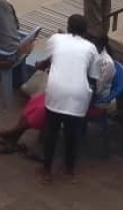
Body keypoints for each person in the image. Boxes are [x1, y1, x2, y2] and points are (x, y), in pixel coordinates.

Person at [37, 14, 100, 183]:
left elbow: (44, 58)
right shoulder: (91, 47)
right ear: (85, 31)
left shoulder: (56, 39)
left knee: (51, 132)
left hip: (56, 91)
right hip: (78, 95)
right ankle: (69, 169)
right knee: (73, 135)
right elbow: (93, 76)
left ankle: (46, 170)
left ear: (68, 26)